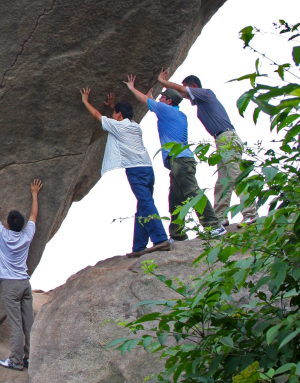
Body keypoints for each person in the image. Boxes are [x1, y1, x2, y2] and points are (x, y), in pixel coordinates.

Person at [124, 75, 225, 240]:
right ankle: (177, 235)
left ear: (169, 101)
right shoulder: (177, 114)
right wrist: (153, 97)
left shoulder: (165, 110)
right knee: (176, 199)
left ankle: (214, 225)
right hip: (180, 161)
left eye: (162, 97)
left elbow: (144, 100)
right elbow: (154, 106)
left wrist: (131, 87)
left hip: (180, 161)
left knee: (192, 192)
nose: (159, 98)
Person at [158, 69, 257, 225]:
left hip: (227, 138)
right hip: (221, 140)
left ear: (194, 86)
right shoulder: (201, 104)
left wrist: (163, 82)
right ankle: (219, 217)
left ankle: (251, 212)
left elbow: (180, 90)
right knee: (223, 180)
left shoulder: (206, 93)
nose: (184, 95)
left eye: (186, 89)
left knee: (235, 175)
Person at [80, 87, 169, 258]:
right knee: (143, 204)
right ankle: (139, 247)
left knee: (146, 203)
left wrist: (85, 101)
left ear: (119, 115)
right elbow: (116, 118)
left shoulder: (117, 127)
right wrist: (114, 106)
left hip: (135, 170)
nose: (113, 114)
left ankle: (160, 239)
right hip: (148, 168)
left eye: (115, 112)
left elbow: (97, 115)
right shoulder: (135, 126)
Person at [0, 179, 42, 371]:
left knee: (15, 325)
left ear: (7, 224)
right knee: (28, 323)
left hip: (10, 286)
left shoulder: (2, 235)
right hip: (25, 283)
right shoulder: (27, 236)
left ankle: (16, 361)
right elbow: (34, 214)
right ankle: (30, 358)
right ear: (22, 225)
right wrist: (34, 193)